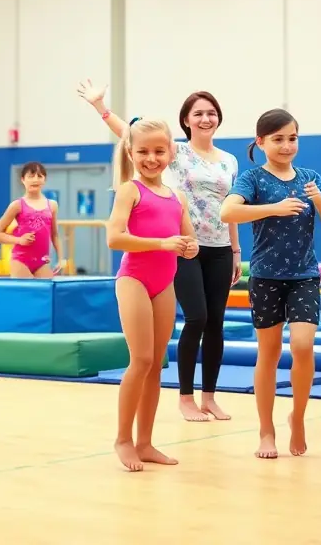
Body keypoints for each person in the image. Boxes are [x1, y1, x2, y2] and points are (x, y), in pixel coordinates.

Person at [78, 80, 241, 422]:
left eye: (211, 113)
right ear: (185, 121)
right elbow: (133, 135)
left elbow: (231, 206)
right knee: (190, 322)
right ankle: (181, 400)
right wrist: (101, 108)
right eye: (198, 113)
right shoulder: (172, 153)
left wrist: (235, 250)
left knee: (212, 326)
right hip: (169, 254)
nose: (206, 118)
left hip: (214, 245)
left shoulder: (228, 161)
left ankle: (205, 398)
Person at [220, 109, 321, 459]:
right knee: (269, 354)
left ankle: (298, 417)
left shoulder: (309, 177)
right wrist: (271, 208)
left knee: (302, 345)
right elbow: (228, 212)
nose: (287, 146)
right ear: (261, 142)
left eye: (292, 138)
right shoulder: (253, 179)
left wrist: (318, 198)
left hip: (304, 275)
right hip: (266, 276)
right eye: (278, 139)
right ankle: (266, 431)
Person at [105, 118, 198, 471]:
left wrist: (189, 248)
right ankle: (123, 439)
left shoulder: (177, 196)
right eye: (143, 151)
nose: (151, 158)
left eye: (159, 151)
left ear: (170, 152)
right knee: (141, 360)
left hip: (165, 283)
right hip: (134, 280)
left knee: (156, 367)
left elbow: (187, 241)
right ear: (131, 152)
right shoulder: (130, 190)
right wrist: (163, 243)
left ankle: (145, 442)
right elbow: (114, 238)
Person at [0, 161, 65, 277]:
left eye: (39, 176)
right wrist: (19, 240)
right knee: (25, 294)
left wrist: (61, 258)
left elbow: (55, 235)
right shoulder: (17, 205)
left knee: (45, 293)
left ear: (44, 180)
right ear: (23, 180)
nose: (35, 179)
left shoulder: (52, 205)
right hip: (21, 260)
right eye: (31, 176)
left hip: (42, 261)